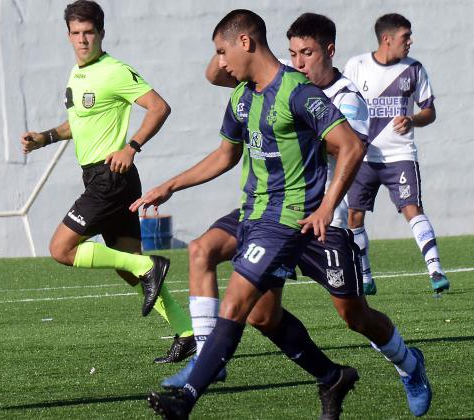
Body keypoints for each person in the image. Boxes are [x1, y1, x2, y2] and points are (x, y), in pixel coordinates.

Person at [159, 13, 432, 418]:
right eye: (293, 53)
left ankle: (409, 364)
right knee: (249, 302)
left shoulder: (336, 97)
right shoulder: (266, 87)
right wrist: (227, 52)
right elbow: (218, 77)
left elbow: (347, 150)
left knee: (354, 315)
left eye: (308, 53)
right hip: (270, 214)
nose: (300, 61)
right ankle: (228, 366)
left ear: (329, 52)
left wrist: (323, 200)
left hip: (324, 222)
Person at [134, 9, 367, 419]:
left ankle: (188, 394)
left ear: (246, 43)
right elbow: (226, 155)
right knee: (236, 287)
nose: (220, 63)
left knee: (238, 300)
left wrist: (327, 207)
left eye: (222, 51)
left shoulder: (299, 92)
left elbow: (350, 145)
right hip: (252, 211)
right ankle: (331, 376)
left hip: (287, 218)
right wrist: (171, 184)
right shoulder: (243, 96)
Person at [20, 0, 195, 364]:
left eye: (89, 32)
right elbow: (79, 123)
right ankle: (187, 333)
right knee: (128, 266)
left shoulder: (114, 70)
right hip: (106, 179)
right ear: (68, 35)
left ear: (101, 33)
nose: (83, 40)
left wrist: (132, 146)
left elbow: (159, 106)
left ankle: (149, 267)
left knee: (61, 250)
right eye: (76, 33)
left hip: (110, 178)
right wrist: (46, 138)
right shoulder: (77, 73)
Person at [343, 13, 449, 295]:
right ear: (386, 39)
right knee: (354, 216)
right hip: (362, 156)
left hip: (400, 155)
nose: (410, 41)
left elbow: (429, 110)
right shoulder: (356, 66)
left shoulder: (414, 69)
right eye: (406, 37)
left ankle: (436, 269)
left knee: (412, 208)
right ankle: (365, 276)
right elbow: (340, 103)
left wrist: (412, 120)